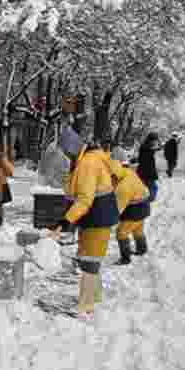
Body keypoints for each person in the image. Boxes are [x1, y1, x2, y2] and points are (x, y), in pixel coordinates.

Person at [52, 126, 119, 317]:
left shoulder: (88, 164)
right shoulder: (86, 160)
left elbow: (84, 199)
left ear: (72, 148)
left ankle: (86, 307)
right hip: (95, 216)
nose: (65, 156)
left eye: (66, 152)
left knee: (90, 262)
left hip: (98, 216)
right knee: (88, 258)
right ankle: (92, 298)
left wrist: (67, 221)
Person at [108, 151, 151, 265]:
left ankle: (125, 258)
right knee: (138, 230)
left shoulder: (123, 187)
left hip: (134, 210)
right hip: (144, 206)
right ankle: (142, 249)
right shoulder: (128, 172)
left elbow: (116, 210)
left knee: (121, 232)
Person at [136, 132, 160, 202]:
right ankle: (147, 200)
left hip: (143, 172)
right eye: (155, 140)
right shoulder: (148, 147)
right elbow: (150, 152)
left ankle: (144, 199)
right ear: (152, 140)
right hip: (147, 173)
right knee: (153, 187)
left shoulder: (145, 146)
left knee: (146, 187)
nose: (155, 142)